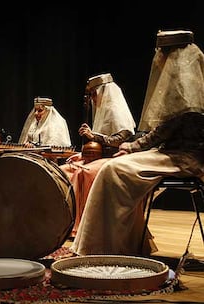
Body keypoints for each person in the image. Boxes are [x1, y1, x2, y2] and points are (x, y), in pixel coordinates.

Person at [70, 29, 204, 257]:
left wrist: (132, 147)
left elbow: (166, 129)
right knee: (108, 169)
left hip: (187, 158)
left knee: (113, 170)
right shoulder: (182, 83)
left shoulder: (188, 86)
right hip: (170, 153)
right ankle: (122, 244)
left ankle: (108, 248)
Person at [60, 73, 136, 237]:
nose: (92, 98)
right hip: (99, 157)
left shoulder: (115, 110)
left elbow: (119, 140)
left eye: (94, 94)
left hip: (114, 157)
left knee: (83, 173)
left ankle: (87, 226)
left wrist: (93, 136)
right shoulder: (101, 111)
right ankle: (67, 223)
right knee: (65, 169)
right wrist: (83, 151)